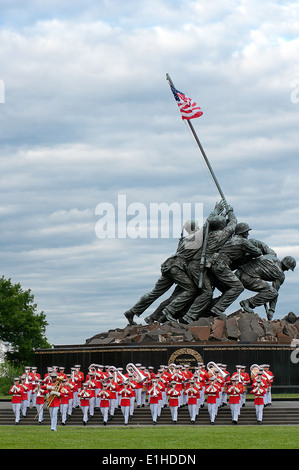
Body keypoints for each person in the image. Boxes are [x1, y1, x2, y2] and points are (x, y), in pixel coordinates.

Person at [237, 254, 296, 320]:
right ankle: (248, 303)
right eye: (288, 268)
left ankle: (222, 308)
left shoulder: (271, 257)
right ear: (286, 266)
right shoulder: (280, 275)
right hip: (248, 278)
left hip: (240, 271)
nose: (287, 270)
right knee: (272, 292)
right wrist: (272, 310)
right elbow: (274, 293)